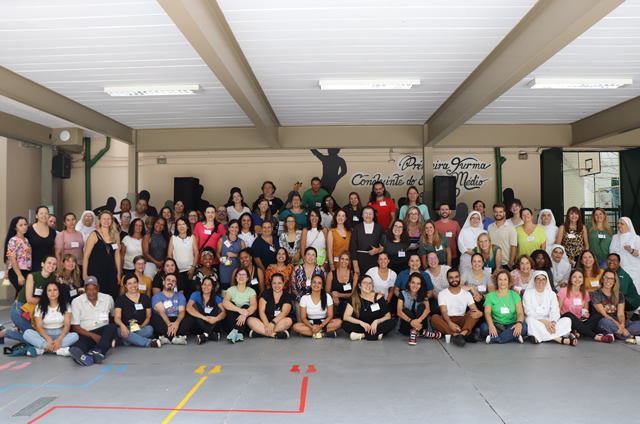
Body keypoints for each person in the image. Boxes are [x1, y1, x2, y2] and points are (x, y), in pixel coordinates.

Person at [68, 276, 118, 366]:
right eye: (88, 289)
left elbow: (113, 317)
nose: (91, 292)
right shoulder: (76, 302)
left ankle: (98, 351)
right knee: (77, 347)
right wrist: (92, 335)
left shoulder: (108, 299)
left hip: (102, 333)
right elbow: (75, 327)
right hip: (85, 333)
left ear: (98, 288)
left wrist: (106, 334)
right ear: (85, 290)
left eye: (94, 289)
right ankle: (83, 358)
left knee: (113, 327)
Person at [22, 281, 78, 357]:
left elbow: (67, 324)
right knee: (27, 333)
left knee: (75, 336)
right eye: (49, 290)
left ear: (59, 292)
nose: (52, 293)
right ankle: (58, 350)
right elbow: (39, 327)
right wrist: (48, 339)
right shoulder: (39, 306)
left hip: (61, 333)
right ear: (46, 293)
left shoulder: (66, 305)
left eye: (55, 290)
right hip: (45, 334)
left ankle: (43, 348)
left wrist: (60, 339)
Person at [557, 269, 613, 343]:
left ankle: (578, 334)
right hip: (567, 321)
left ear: (583, 280)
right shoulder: (563, 291)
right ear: (570, 279)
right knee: (569, 315)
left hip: (580, 322)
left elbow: (585, 310)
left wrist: (586, 314)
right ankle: (595, 337)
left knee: (598, 315)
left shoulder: (585, 293)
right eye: (574, 277)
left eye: (580, 277)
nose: (577, 279)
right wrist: (572, 319)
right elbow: (558, 309)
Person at [431, 268, 483, 347]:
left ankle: (461, 334)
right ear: (447, 279)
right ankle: (457, 335)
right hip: (448, 320)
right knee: (434, 318)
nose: (454, 279)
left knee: (473, 313)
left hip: (462, 320)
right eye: (451, 277)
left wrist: (480, 313)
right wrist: (450, 323)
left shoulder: (467, 294)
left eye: (456, 277)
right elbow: (443, 312)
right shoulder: (442, 294)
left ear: (460, 277)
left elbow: (474, 309)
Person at [523, 270, 575, 345]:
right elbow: (529, 311)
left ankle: (540, 336)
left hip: (549, 321)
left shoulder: (551, 294)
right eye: (538, 279)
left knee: (567, 320)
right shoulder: (528, 293)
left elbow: (555, 311)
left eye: (543, 279)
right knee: (529, 320)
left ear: (546, 281)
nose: (541, 281)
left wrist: (552, 323)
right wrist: (545, 323)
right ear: (534, 281)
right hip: (536, 321)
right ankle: (558, 339)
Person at [342, 275, 396, 341]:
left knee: (391, 322)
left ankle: (362, 335)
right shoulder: (354, 298)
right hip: (362, 326)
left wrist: (376, 321)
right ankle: (375, 335)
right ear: (359, 286)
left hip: (376, 326)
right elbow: (346, 316)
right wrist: (361, 323)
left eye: (370, 283)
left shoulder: (378, 297)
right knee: (345, 324)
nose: (368, 285)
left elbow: (388, 316)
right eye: (365, 283)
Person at [82, 211, 120, 302]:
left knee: (111, 294)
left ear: (112, 220)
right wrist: (84, 274)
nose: (106, 221)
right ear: (99, 220)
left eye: (108, 218)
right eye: (104, 218)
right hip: (96, 270)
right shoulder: (94, 235)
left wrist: (119, 273)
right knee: (98, 295)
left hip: (111, 271)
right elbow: (86, 255)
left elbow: (117, 255)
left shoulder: (116, 235)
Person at [481, 269, 527, 344]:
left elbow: (520, 313)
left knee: (524, 327)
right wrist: (491, 325)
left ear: (509, 281)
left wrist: (519, 323)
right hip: (496, 324)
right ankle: (513, 336)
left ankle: (497, 339)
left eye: (505, 279)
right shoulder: (490, 296)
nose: (503, 282)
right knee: (484, 328)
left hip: (512, 324)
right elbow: (487, 313)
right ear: (496, 281)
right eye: (500, 279)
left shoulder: (514, 295)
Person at [592, 269, 640, 341]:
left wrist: (622, 325)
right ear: (602, 279)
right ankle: (629, 336)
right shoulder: (596, 294)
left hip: (617, 323)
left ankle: (616, 333)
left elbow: (621, 314)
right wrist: (620, 327)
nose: (608, 281)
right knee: (606, 322)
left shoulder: (619, 295)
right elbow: (604, 314)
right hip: (602, 322)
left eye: (611, 279)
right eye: (606, 278)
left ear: (614, 281)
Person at [114, 273, 159, 348]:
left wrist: (143, 325)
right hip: (126, 327)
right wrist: (122, 326)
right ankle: (148, 343)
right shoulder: (120, 300)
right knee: (118, 331)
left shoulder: (145, 298)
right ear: (125, 286)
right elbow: (117, 317)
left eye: (135, 282)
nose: (133, 285)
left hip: (141, 327)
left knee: (149, 330)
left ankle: (125, 341)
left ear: (137, 283)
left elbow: (148, 316)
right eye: (129, 283)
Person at [396, 272, 441, 345]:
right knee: (405, 310)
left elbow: (428, 310)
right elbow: (399, 312)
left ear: (421, 285)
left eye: (418, 283)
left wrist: (418, 321)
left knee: (422, 307)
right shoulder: (402, 294)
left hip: (421, 323)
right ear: (409, 283)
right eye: (413, 283)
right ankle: (424, 332)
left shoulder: (423, 294)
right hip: (406, 327)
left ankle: (415, 331)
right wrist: (411, 321)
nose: (415, 286)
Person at [247, 273, 293, 339]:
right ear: (271, 284)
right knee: (250, 320)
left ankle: (260, 333)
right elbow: (261, 311)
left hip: (278, 322)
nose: (277, 285)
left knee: (288, 321)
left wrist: (272, 323)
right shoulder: (266, 293)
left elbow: (284, 313)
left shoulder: (287, 296)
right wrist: (267, 325)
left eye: (279, 283)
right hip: (264, 322)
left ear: (283, 283)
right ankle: (274, 335)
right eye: (274, 283)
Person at [150, 273, 191, 345]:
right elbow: (161, 312)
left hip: (176, 319)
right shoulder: (156, 297)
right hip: (164, 320)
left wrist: (176, 324)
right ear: (163, 282)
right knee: (153, 318)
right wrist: (169, 325)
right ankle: (176, 337)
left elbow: (182, 311)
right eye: (168, 280)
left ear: (175, 285)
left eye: (173, 281)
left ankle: (167, 337)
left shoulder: (180, 296)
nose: (170, 282)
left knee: (190, 318)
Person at [186, 276, 226, 344]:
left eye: (209, 285)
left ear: (212, 287)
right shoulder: (195, 294)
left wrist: (216, 318)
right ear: (201, 286)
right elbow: (188, 308)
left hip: (213, 323)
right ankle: (211, 334)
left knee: (218, 309)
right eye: (204, 284)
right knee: (195, 306)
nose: (206, 287)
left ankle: (205, 335)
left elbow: (224, 312)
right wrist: (204, 318)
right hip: (199, 324)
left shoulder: (217, 297)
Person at [223, 267, 257, 343]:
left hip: (245, 323)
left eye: (244, 275)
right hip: (230, 322)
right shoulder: (231, 290)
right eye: (239, 275)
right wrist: (240, 310)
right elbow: (225, 302)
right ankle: (239, 333)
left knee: (246, 306)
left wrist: (244, 314)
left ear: (248, 278)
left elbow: (254, 306)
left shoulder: (251, 291)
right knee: (231, 304)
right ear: (236, 277)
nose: (241, 277)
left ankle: (235, 331)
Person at [350, 205, 385, 277]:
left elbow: (384, 245)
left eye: (370, 213)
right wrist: (355, 266)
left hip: (375, 260)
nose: (368, 215)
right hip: (360, 260)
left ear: (373, 215)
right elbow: (352, 247)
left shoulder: (379, 228)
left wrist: (378, 250)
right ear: (362, 215)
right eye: (365, 213)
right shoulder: (357, 228)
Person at [292, 247, 326, 320]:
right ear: (304, 256)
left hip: (317, 299)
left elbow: (324, 286)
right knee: (301, 320)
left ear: (316, 257)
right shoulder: (297, 269)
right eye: (308, 254)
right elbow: (293, 286)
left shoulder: (321, 270)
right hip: (300, 299)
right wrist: (300, 300)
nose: (310, 257)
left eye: (313, 255)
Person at [609, 217, 640, 293]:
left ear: (628, 225)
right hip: (617, 269)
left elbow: (639, 254)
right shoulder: (614, 237)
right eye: (618, 223)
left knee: (632, 289)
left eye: (622, 223)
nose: (619, 225)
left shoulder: (635, 238)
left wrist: (631, 250)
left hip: (631, 268)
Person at [167, 217, 199, 291]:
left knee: (190, 291)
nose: (181, 227)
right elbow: (169, 255)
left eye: (183, 224)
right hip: (177, 271)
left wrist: (193, 267)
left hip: (190, 270)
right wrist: (172, 269)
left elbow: (196, 254)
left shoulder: (192, 237)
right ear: (176, 227)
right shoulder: (173, 237)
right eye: (179, 225)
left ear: (187, 226)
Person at [4, 216, 32, 299]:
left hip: (26, 270)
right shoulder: (13, 240)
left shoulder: (26, 240)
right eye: (21, 225)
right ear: (15, 227)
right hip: (17, 271)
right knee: (21, 293)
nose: (24, 227)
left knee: (23, 293)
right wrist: (19, 275)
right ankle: (16, 311)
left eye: (25, 224)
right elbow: (12, 258)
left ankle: (20, 311)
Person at [217, 219, 245, 293]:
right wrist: (220, 259)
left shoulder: (241, 242)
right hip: (224, 269)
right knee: (224, 291)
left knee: (236, 290)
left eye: (236, 227)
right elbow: (217, 253)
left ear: (239, 229)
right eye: (232, 227)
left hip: (236, 268)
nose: (234, 229)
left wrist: (234, 255)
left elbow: (244, 257)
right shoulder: (222, 240)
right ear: (229, 228)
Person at [488, 203, 517, 270]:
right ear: (493, 213)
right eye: (496, 212)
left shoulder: (511, 228)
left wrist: (510, 263)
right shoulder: (490, 227)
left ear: (504, 213)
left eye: (500, 212)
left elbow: (514, 246)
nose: (498, 214)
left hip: (505, 263)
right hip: (492, 262)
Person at [325, 251, 354, 318]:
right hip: (335, 303)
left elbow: (354, 294)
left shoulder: (353, 274)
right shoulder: (331, 274)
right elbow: (327, 291)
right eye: (342, 259)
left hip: (349, 303)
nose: (344, 261)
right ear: (339, 260)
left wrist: (339, 295)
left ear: (349, 261)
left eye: (346, 259)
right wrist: (334, 296)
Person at [27, 206, 56, 272]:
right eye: (41, 213)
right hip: (33, 265)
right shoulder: (29, 230)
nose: (44, 215)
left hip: (49, 266)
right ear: (36, 216)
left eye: (46, 213)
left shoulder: (52, 231)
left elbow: (53, 249)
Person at [435, 203, 461, 267]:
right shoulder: (434, 225)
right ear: (439, 211)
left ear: (450, 211)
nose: (444, 211)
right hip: (438, 257)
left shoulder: (455, 224)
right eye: (442, 209)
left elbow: (459, 241)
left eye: (446, 209)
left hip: (453, 256)